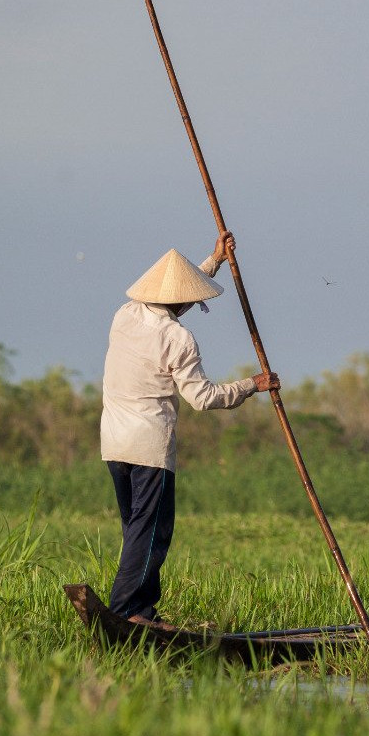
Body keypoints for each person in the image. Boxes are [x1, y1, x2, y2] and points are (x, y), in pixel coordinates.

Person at [100, 231, 279, 624]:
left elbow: (174, 294)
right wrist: (252, 385)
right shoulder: (178, 338)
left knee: (136, 532)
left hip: (113, 444)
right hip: (149, 448)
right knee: (151, 535)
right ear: (181, 300)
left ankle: (140, 610)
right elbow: (203, 398)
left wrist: (213, 261)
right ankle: (127, 611)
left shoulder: (123, 316)